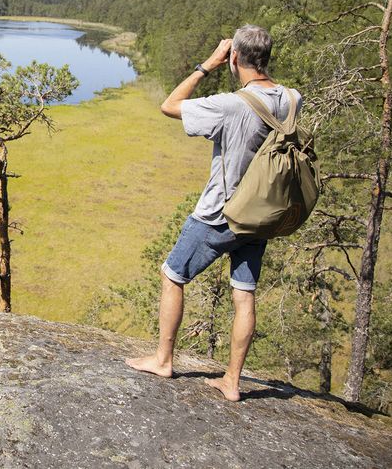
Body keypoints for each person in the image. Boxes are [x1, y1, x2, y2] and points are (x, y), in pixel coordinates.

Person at [124, 24, 301, 402]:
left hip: (219, 213)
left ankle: (162, 359)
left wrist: (208, 65)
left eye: (231, 56)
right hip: (261, 214)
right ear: (267, 57)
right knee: (244, 294)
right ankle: (232, 382)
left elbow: (169, 104)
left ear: (234, 57)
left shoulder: (231, 104)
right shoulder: (292, 98)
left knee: (172, 275)